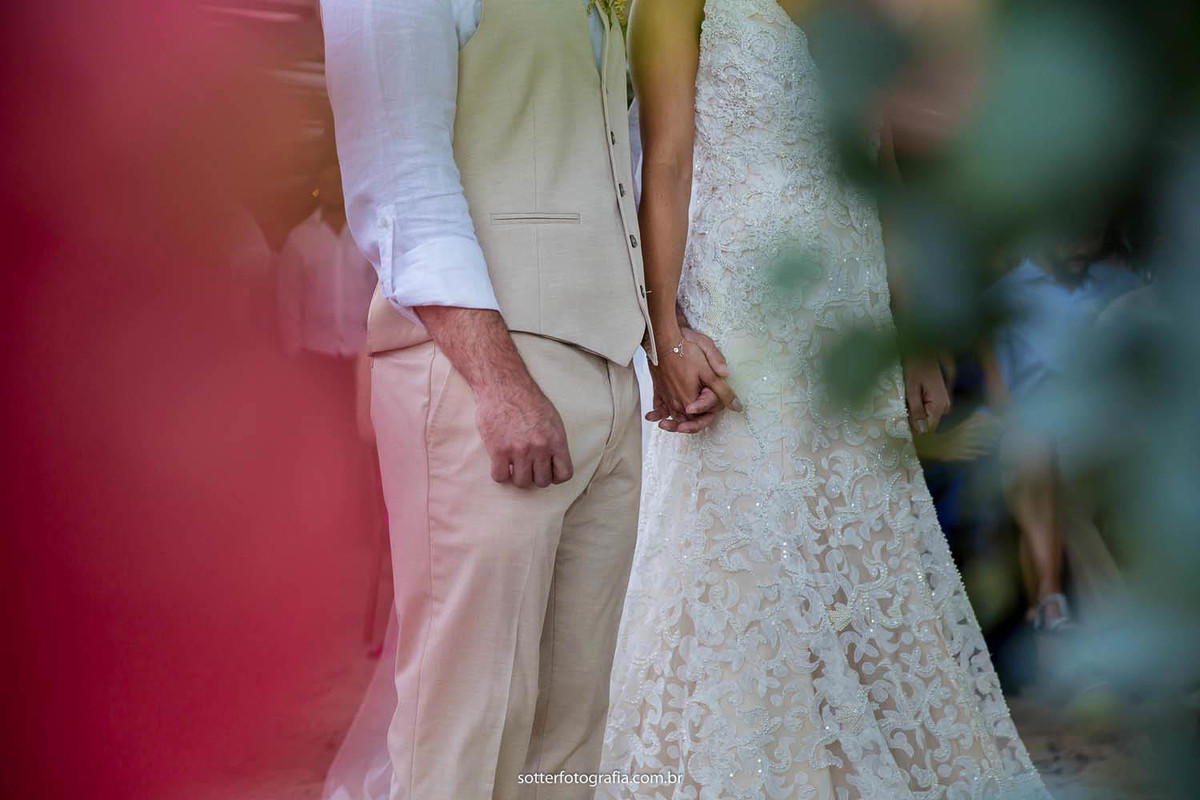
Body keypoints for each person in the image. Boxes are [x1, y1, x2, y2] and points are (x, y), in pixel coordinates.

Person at [599, 2, 1049, 798]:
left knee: (855, 545)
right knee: (744, 544)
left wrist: (911, 335)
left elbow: (882, 171)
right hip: (739, 306)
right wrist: (664, 332)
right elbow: (664, 162)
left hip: (851, 314)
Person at [319, 2, 733, 799]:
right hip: (487, 371)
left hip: (608, 373)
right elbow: (399, 179)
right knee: (466, 720)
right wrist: (499, 382)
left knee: (568, 735)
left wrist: (661, 337)